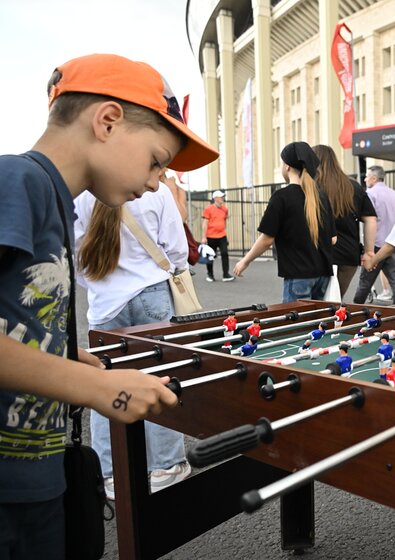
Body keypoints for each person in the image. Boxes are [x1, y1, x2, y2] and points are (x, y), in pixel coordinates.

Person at [0, 53, 216, 558]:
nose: (156, 181)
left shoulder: (53, 198)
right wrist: (98, 387)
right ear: (108, 120)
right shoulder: (20, 182)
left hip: (36, 476)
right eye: (157, 160)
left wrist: (59, 360)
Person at [74, 184, 193, 501]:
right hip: (151, 294)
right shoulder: (157, 192)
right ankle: (166, 467)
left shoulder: (82, 194)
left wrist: (102, 282)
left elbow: (75, 257)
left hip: (104, 302)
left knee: (104, 383)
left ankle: (110, 473)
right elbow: (178, 252)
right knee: (163, 378)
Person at [233, 142, 336, 302]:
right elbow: (332, 239)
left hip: (299, 275)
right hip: (323, 275)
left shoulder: (282, 197)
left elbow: (267, 239)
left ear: (287, 166)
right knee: (316, 324)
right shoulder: (321, 197)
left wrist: (245, 261)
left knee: (295, 325)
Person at [312, 144, 377, 296]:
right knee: (335, 299)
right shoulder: (353, 185)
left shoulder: (312, 186)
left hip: (318, 255)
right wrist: (369, 252)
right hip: (348, 255)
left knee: (315, 303)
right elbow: (370, 219)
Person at [353, 165, 395, 305]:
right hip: (391, 246)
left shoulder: (370, 193)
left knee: (365, 283)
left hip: (375, 245)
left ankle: (355, 310)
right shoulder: (394, 194)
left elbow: (369, 219)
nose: (365, 179)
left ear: (374, 178)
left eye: (367, 176)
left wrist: (366, 249)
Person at [202, 189, 234, 282]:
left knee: (225, 253)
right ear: (215, 198)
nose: (223, 198)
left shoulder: (225, 209)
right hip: (211, 236)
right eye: (221, 197)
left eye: (223, 197)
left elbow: (224, 221)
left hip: (222, 236)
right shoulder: (208, 209)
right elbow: (205, 223)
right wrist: (204, 237)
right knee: (210, 256)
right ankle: (210, 275)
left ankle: (226, 274)